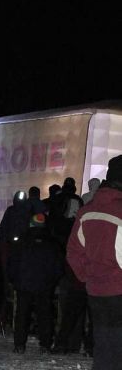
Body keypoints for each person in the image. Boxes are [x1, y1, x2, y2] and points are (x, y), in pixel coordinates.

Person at [67, 154, 122, 370]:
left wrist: (88, 276)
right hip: (119, 289)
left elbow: (73, 252)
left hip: (96, 291)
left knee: (104, 344)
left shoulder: (86, 211)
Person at [7, 212, 64, 355]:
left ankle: (19, 344)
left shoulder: (21, 241)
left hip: (23, 284)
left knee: (22, 314)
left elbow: (12, 263)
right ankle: (45, 344)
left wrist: (13, 279)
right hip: (45, 285)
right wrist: (53, 281)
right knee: (45, 314)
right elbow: (58, 266)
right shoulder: (53, 243)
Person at [47, 176, 83, 248]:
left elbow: (51, 214)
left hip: (57, 230)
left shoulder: (57, 197)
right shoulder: (78, 199)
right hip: (71, 231)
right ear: (74, 187)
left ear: (63, 186)